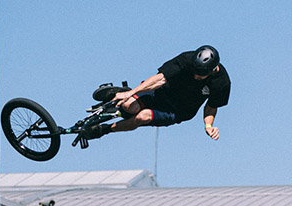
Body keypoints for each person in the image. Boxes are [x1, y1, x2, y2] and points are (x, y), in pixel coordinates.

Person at [87, 46, 230, 141]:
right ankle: (122, 96)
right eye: (194, 71)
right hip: (162, 93)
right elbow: (160, 78)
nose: (195, 76)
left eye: (200, 75)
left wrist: (208, 126)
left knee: (142, 117)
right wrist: (130, 93)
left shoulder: (222, 83)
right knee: (129, 106)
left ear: (212, 70)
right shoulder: (186, 59)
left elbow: (211, 107)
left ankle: (104, 130)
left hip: (179, 110)